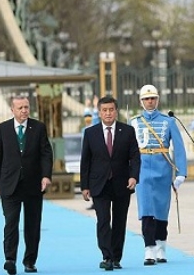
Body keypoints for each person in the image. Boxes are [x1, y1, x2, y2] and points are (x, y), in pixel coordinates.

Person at [0, 95, 53, 275]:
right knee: (11, 223)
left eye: (26, 107)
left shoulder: (39, 127)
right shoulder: (2, 129)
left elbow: (46, 153)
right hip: (9, 184)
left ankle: (30, 261)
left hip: (33, 184)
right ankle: (10, 259)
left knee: (32, 225)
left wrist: (46, 176)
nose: (24, 111)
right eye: (20, 108)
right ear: (12, 110)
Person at [80, 96, 140, 270]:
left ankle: (116, 257)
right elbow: (86, 161)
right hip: (99, 184)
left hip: (122, 183)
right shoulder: (90, 133)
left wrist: (133, 176)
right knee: (104, 220)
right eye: (104, 110)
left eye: (111, 110)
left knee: (120, 221)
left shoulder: (127, 131)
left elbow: (135, 157)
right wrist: (85, 186)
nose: (108, 113)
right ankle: (106, 256)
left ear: (116, 111)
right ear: (99, 112)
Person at [129, 85, 187, 266]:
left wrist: (181, 173)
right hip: (143, 168)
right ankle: (149, 248)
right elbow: (128, 150)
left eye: (153, 98)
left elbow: (178, 147)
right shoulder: (134, 122)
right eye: (146, 99)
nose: (150, 101)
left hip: (163, 168)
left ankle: (161, 244)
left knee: (161, 210)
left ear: (158, 99)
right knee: (146, 209)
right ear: (141, 101)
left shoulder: (168, 121)